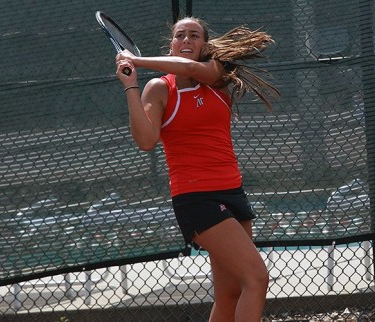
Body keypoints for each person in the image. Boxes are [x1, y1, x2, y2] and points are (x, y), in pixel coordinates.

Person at [115, 16, 279, 322]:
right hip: (196, 197)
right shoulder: (159, 88)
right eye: (180, 36)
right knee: (257, 278)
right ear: (171, 44)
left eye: (194, 36)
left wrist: (135, 58)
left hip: (232, 191)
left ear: (205, 44)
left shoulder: (216, 74)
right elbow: (146, 140)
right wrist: (131, 87)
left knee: (229, 293)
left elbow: (190, 69)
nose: (187, 40)